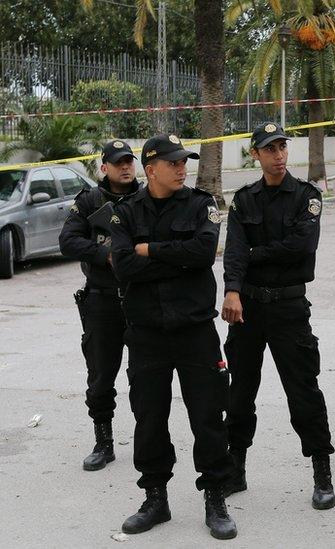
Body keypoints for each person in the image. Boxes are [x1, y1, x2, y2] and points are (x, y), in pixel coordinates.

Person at [109, 134, 238, 540]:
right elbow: (123, 266)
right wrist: (171, 256)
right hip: (146, 334)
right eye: (174, 162)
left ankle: (215, 497)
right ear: (151, 169)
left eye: (185, 161)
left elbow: (203, 253)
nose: (183, 168)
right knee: (149, 418)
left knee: (208, 416)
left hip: (195, 332)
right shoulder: (125, 212)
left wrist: (149, 250)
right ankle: (155, 498)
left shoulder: (202, 205)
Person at [220, 122, 335, 510]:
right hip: (248, 310)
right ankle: (236, 470)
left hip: (288, 308)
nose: (279, 155)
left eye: (283, 147)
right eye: (270, 149)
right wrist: (232, 289)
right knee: (238, 394)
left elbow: (303, 244)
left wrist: (257, 254)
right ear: (256, 155)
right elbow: (235, 250)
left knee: (303, 392)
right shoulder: (243, 200)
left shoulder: (306, 196)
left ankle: (322, 473)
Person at [59, 140, 139, 471]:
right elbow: (68, 241)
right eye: (118, 162)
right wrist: (103, 254)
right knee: (101, 376)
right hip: (102, 301)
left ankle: (149, 440)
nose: (125, 167)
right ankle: (103, 442)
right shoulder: (90, 201)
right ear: (104, 167)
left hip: (139, 299)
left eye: (129, 162)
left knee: (146, 376)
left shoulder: (147, 199)